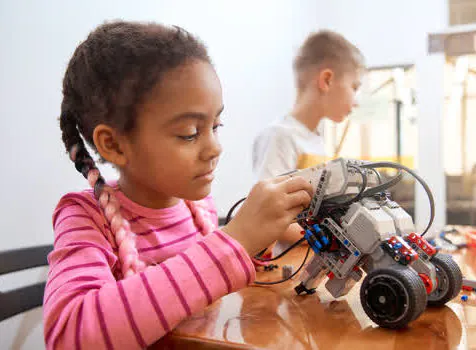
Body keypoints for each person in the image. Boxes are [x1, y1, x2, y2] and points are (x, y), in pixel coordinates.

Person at [43, 21, 312, 349]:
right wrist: (235, 242)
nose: (215, 147)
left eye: (216, 125)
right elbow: (71, 335)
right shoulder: (85, 216)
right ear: (113, 145)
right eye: (189, 133)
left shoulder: (198, 208)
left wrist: (257, 244)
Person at [252, 29, 364, 247]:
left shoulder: (316, 140)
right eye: (354, 87)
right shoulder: (280, 136)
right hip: (291, 267)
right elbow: (269, 216)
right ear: (327, 80)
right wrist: (334, 241)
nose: (356, 101)